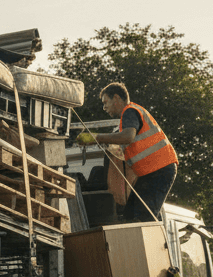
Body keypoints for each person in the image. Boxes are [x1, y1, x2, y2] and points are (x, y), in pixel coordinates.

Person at [75, 82, 179, 223]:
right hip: (153, 171)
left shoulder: (129, 111)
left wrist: (95, 137)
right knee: (130, 214)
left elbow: (127, 137)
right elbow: (126, 142)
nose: (104, 108)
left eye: (106, 103)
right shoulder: (131, 115)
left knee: (142, 217)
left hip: (158, 170)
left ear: (116, 98)